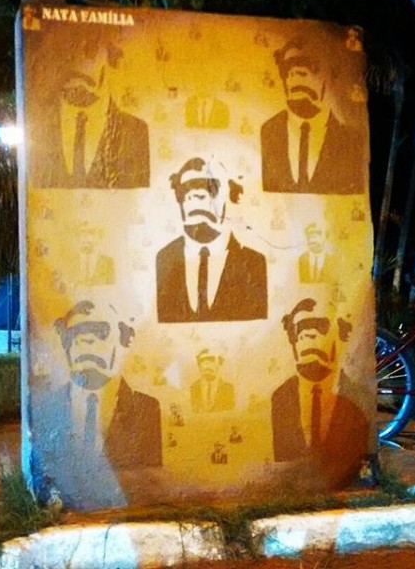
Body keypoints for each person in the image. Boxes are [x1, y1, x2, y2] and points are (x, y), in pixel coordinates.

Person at [50, 300, 162, 469]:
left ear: (124, 343)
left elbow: (149, 474)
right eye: (74, 333)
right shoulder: (50, 404)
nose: (86, 340)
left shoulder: (146, 408)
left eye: (100, 332)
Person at [156, 155, 268, 322]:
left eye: (211, 187)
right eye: (185, 189)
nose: (196, 194)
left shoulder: (254, 263)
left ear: (230, 195)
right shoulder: (164, 258)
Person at [271, 297, 369, 487]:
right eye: (299, 329)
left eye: (320, 326)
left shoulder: (357, 397)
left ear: (340, 335)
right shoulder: (281, 397)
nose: (307, 334)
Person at [32, 35, 150, 189]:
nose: (81, 57)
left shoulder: (135, 131)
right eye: (69, 48)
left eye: (91, 48)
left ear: (112, 62)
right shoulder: (35, 126)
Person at [260, 35, 366, 194]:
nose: (295, 73)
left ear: (330, 76)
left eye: (310, 65)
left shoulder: (351, 141)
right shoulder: (269, 131)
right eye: (287, 68)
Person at [190, 348, 236, 413]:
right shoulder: (194, 387)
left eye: (211, 360)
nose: (206, 364)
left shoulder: (228, 388)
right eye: (202, 361)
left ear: (219, 364)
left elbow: (229, 412)